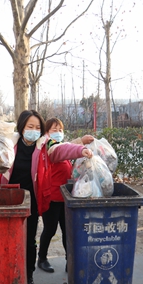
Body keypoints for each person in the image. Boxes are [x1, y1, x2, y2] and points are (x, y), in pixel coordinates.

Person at [0, 110, 94, 284]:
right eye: (30, 127)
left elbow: (62, 149)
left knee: (30, 239)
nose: (34, 130)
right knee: (7, 240)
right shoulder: (10, 143)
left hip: (30, 201)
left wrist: (81, 149)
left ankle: (29, 276)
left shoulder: (44, 145)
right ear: (22, 127)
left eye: (37, 127)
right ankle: (7, 274)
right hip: (9, 199)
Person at [35, 118, 96, 275]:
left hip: (66, 198)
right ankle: (42, 258)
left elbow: (66, 146)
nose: (58, 133)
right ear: (46, 133)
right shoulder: (48, 146)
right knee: (50, 229)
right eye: (54, 130)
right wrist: (80, 146)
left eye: (60, 130)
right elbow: (63, 150)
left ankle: (70, 260)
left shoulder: (59, 145)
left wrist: (81, 143)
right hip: (53, 197)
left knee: (67, 230)